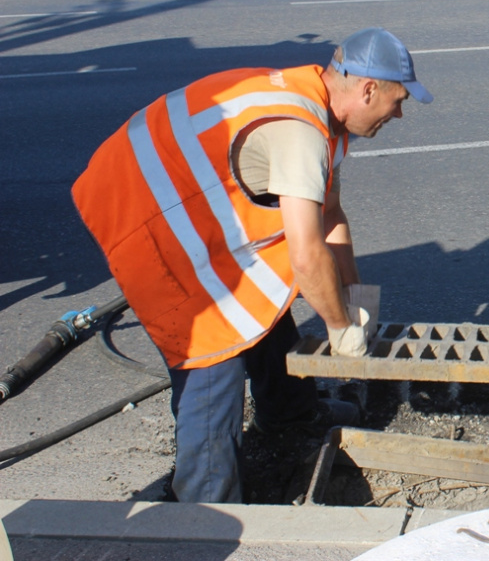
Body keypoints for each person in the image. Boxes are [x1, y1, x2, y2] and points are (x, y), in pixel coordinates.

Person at [72, 27, 432, 503]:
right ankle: (204, 505)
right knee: (211, 351)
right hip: (144, 209)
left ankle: (288, 412)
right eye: (398, 100)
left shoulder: (321, 107)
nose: (400, 113)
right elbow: (307, 256)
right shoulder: (300, 132)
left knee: (260, 291)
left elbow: (329, 214)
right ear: (368, 90)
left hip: (185, 195)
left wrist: (354, 298)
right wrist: (339, 326)